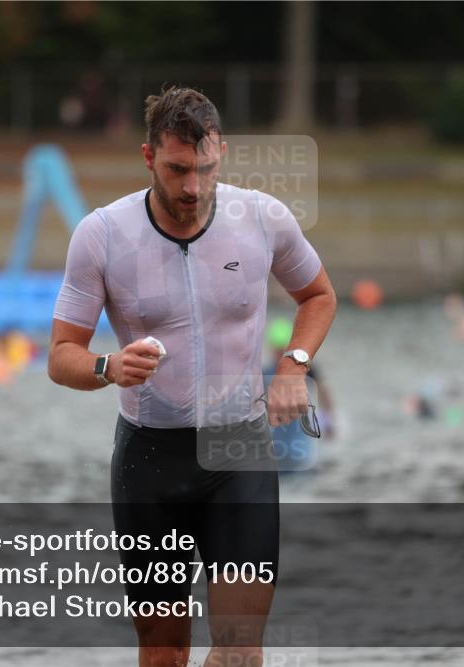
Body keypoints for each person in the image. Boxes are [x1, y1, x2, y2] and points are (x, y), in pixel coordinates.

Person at [47, 86, 336, 667]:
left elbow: (319, 296)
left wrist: (293, 367)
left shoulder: (261, 218)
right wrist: (107, 367)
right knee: (163, 652)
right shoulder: (103, 235)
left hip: (239, 451)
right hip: (150, 460)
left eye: (204, 169)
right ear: (149, 156)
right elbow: (60, 355)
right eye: (178, 169)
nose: (192, 188)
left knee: (238, 651)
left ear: (220, 153)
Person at [262, 317, 337, 472]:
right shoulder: (265, 373)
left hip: (302, 450)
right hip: (277, 448)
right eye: (276, 351)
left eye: (282, 350)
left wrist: (328, 421)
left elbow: (323, 392)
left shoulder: (306, 369)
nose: (279, 355)